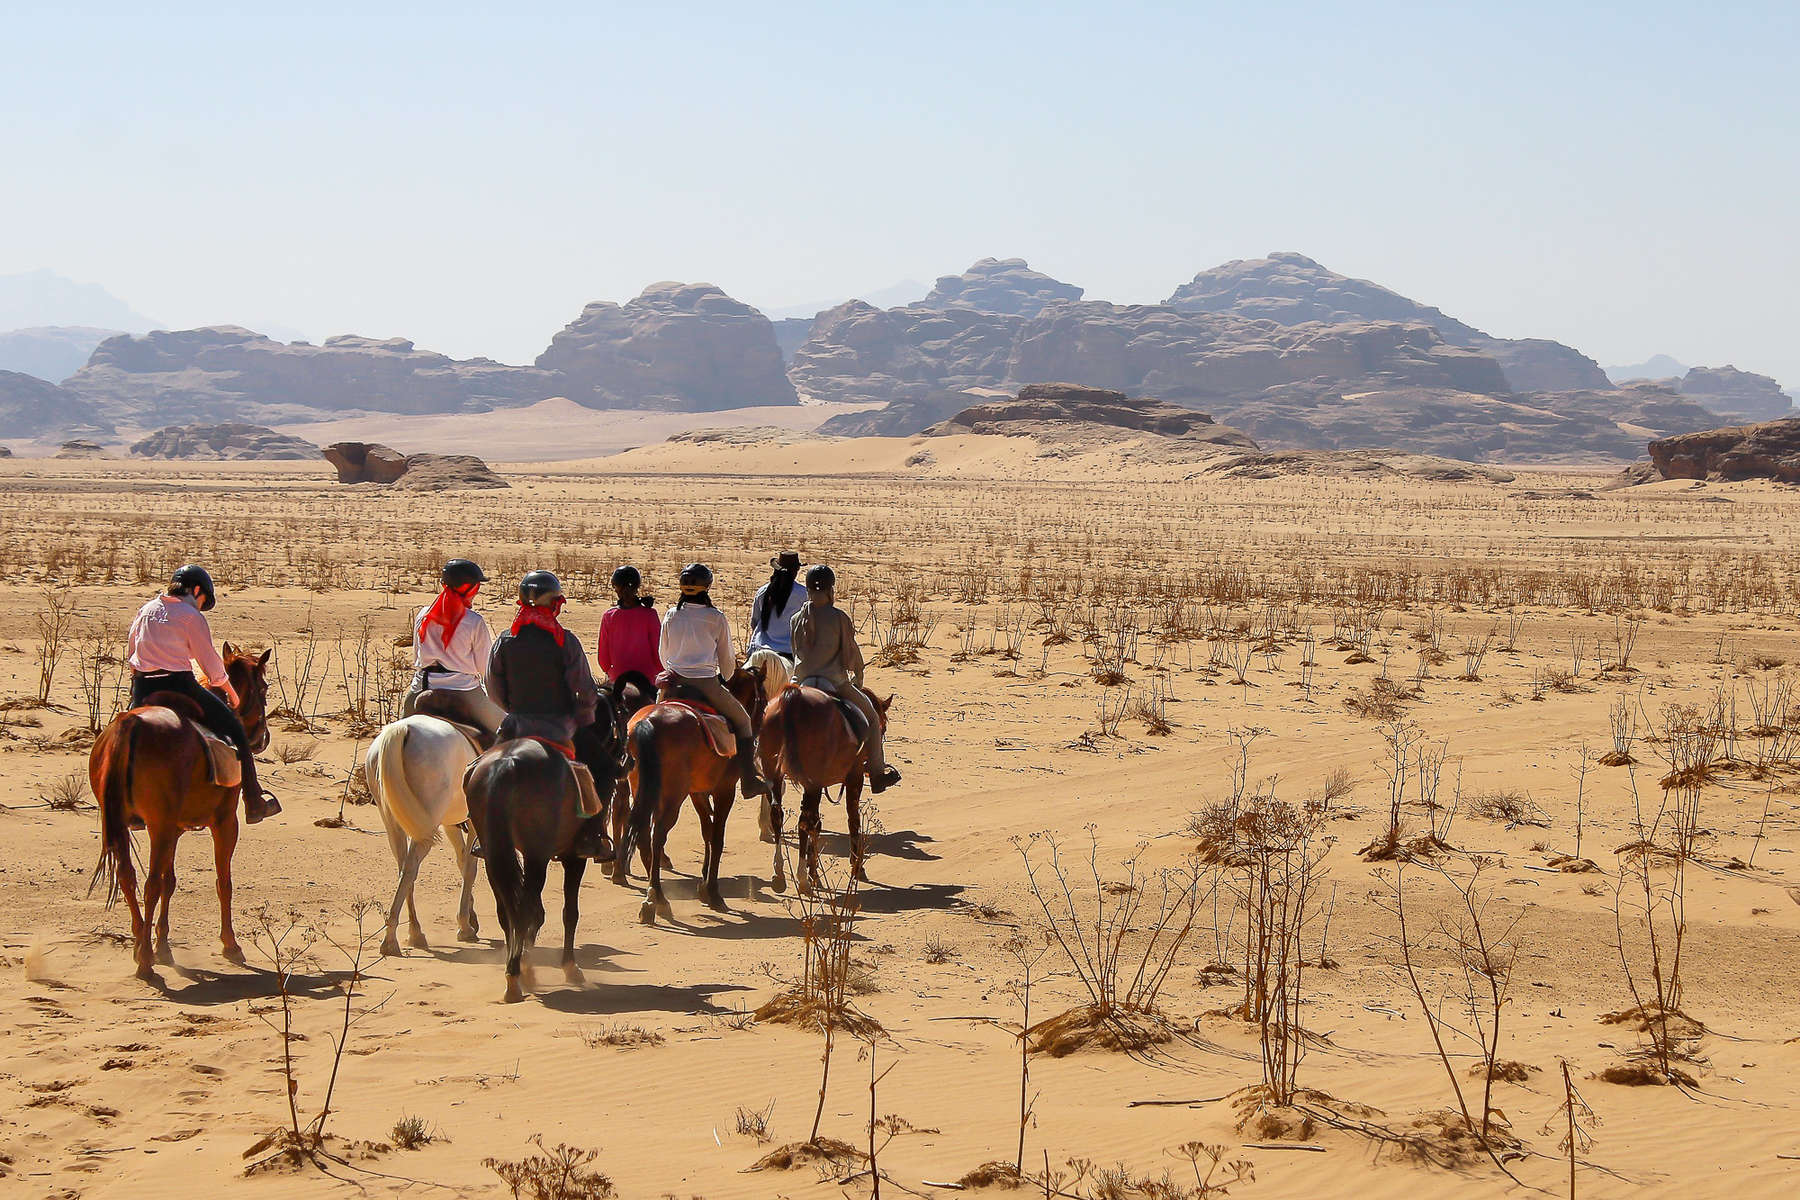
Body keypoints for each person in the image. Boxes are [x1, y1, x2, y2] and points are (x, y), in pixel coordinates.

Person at [126, 564, 280, 822]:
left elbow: (132, 649)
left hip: (142, 686)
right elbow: (213, 668)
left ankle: (129, 805)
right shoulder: (190, 616)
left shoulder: (146, 609)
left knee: (123, 734)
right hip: (180, 685)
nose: (200, 606)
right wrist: (232, 693)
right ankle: (254, 801)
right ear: (196, 590)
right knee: (236, 730)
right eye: (203, 600)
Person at [485, 570, 611, 859]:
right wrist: (583, 716)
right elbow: (586, 692)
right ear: (554, 604)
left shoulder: (504, 641)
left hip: (515, 724)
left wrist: (513, 710)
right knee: (605, 770)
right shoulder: (565, 641)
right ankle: (593, 836)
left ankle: (483, 831)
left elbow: (493, 689)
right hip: (559, 726)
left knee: (479, 769)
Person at [659, 563, 770, 799]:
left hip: (674, 682)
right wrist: (727, 677)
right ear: (707, 587)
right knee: (743, 721)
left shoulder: (671, 614)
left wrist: (674, 668)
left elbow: (663, 653)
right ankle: (749, 781)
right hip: (706, 683)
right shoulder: (716, 618)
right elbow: (727, 659)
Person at [791, 564, 901, 793]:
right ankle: (878, 773)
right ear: (831, 589)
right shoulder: (839, 618)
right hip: (835, 682)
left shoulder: (795, 619)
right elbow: (850, 654)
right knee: (871, 717)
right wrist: (858, 676)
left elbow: (795, 652)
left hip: (801, 682)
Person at [401, 559, 504, 736]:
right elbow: (484, 667)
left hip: (422, 687)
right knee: (504, 731)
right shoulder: (474, 621)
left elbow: (417, 657)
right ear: (471, 589)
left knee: (396, 735)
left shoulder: (423, 615)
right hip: (463, 689)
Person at [595, 565, 662, 687]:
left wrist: (610, 671)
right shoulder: (650, 614)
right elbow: (658, 651)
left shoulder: (609, 616)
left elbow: (603, 657)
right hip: (647, 678)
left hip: (617, 676)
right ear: (637, 587)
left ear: (616, 588)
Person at [747, 551, 808, 661]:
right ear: (796, 570)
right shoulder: (803, 594)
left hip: (761, 647)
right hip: (790, 650)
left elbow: (754, 622)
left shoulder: (763, 592)